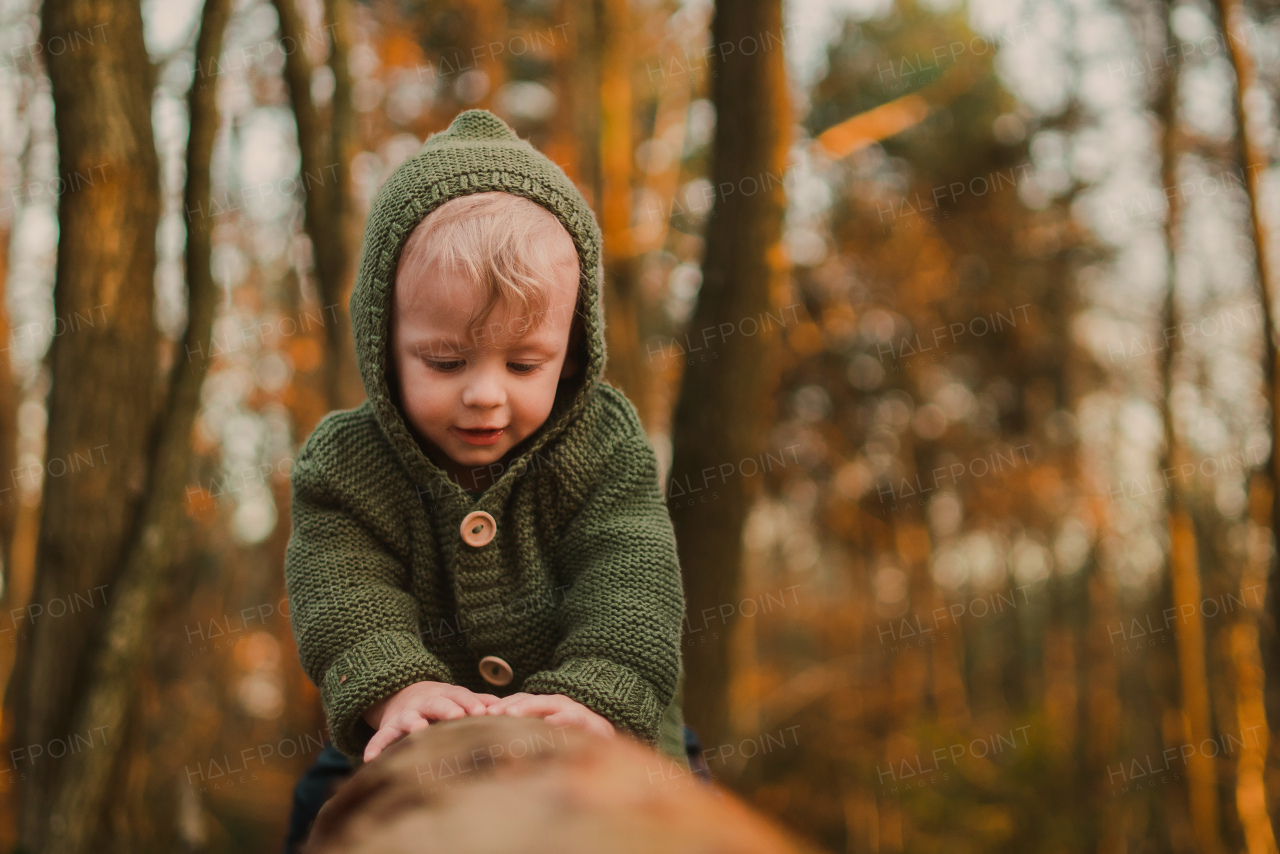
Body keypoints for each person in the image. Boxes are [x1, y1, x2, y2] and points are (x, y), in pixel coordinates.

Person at [281, 108, 707, 849]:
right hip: (414, 721)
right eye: (445, 362)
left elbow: (630, 573)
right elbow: (340, 587)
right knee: (320, 814)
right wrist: (396, 687)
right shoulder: (347, 464)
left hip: (596, 712)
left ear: (572, 352)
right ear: (385, 346)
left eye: (522, 364)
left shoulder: (601, 443)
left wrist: (597, 690)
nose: (484, 394)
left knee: (685, 818)